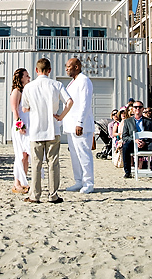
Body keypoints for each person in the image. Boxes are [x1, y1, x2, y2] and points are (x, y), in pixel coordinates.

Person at [21, 58, 73, 204]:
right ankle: (53, 195)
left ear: (36, 70)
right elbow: (69, 102)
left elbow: (25, 108)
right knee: (53, 163)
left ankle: (35, 195)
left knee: (36, 164)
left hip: (36, 129)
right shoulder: (56, 85)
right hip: (53, 128)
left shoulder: (29, 87)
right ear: (49, 70)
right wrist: (60, 117)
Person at [63, 57, 96, 194]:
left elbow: (85, 103)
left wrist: (80, 122)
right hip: (70, 125)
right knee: (75, 156)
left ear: (77, 67)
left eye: (69, 66)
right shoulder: (72, 82)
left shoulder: (84, 80)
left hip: (81, 125)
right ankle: (79, 181)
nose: (66, 69)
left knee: (84, 154)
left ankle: (88, 182)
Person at [120, 101, 152, 178]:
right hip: (133, 144)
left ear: (143, 109)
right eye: (136, 107)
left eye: (140, 107)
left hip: (146, 144)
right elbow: (124, 136)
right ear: (133, 109)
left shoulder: (148, 121)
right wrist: (135, 140)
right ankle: (127, 172)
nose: (138, 109)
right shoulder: (127, 121)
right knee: (125, 146)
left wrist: (145, 142)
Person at [9, 68, 32, 194]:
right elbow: (15, 111)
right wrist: (20, 126)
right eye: (26, 76)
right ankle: (16, 183)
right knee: (20, 154)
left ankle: (24, 181)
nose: (29, 78)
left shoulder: (26, 91)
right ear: (21, 77)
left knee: (26, 155)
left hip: (28, 125)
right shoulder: (16, 92)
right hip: (20, 126)